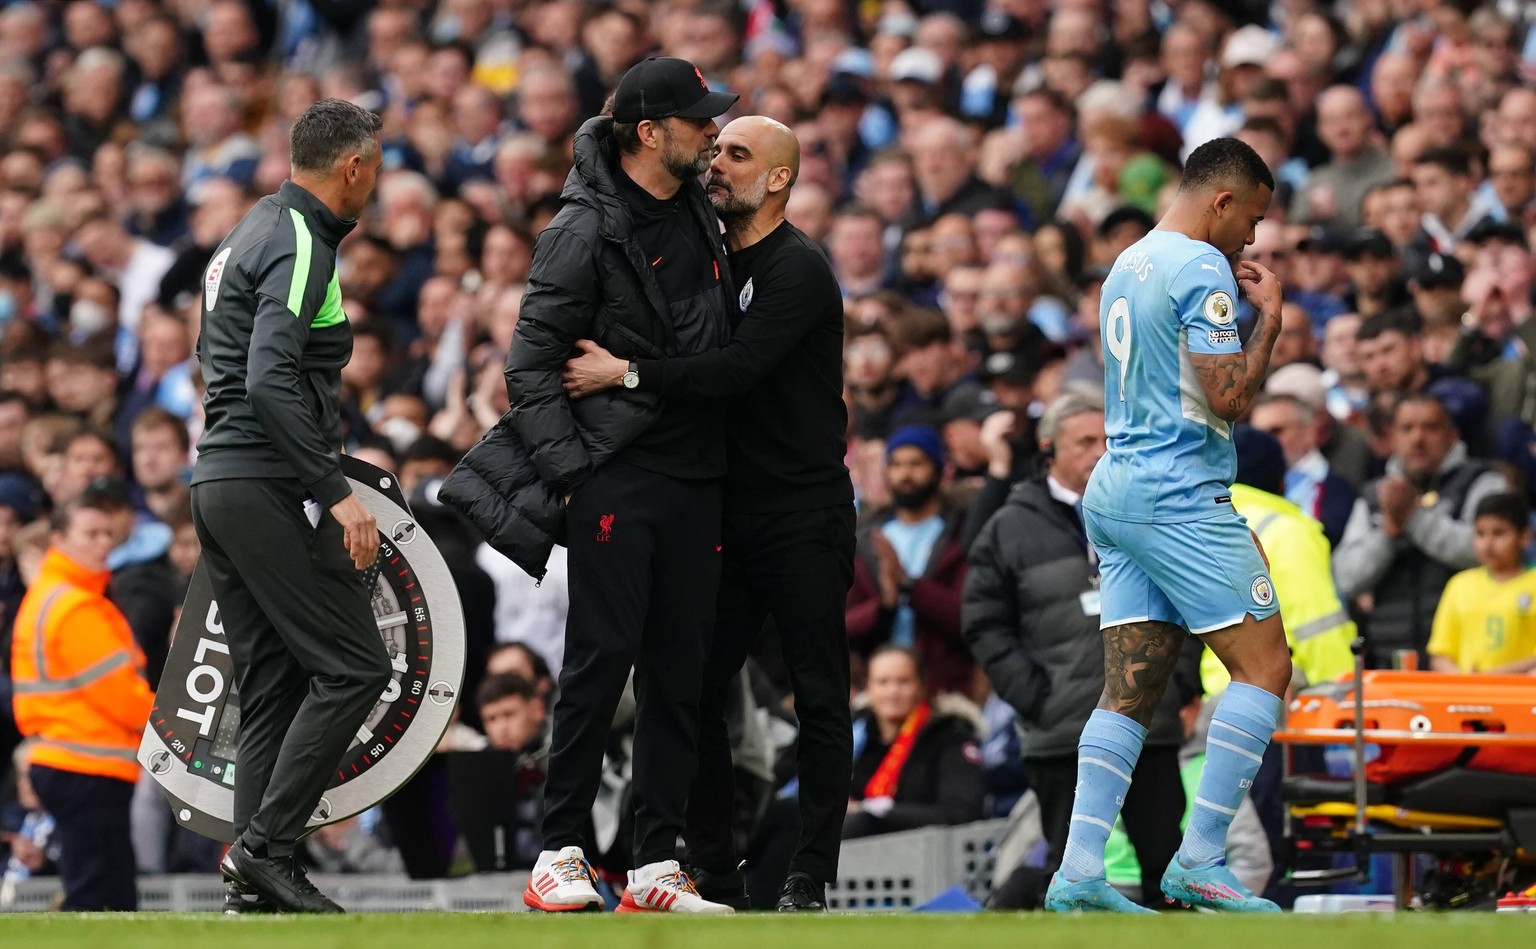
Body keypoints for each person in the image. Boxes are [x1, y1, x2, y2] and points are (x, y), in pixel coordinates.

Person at [442, 57, 740, 915]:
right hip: (618, 475)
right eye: (697, 120)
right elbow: (529, 370)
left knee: (679, 674)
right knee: (599, 663)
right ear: (651, 132)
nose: (711, 132)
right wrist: (577, 481)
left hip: (696, 473)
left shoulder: (693, 203)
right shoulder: (579, 231)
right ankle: (558, 849)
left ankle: (653, 862)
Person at [561, 115, 856, 911]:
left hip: (801, 511)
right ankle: (714, 866)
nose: (716, 165)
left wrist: (627, 373)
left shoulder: (798, 269)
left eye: (737, 154)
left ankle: (808, 876)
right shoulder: (713, 257)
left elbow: (735, 370)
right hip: (725, 509)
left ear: (780, 179)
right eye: (715, 150)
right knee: (686, 687)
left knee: (819, 693)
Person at [1045, 138, 1292, 913]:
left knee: (1128, 690)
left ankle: (1080, 871)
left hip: (1115, 488)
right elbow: (1228, 397)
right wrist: (1271, 322)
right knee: (1265, 667)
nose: (1250, 238)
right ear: (1222, 201)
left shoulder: (1127, 262)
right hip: (1178, 490)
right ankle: (1202, 859)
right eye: (1250, 218)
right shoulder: (1200, 266)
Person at [190, 99, 391, 914]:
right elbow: (270, 378)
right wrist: (334, 491)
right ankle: (265, 849)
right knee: (354, 667)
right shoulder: (300, 240)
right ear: (351, 168)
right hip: (261, 479)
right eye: (373, 168)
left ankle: (251, 891)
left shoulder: (254, 228)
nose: (375, 182)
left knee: (272, 682)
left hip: (221, 483)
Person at [964, 390, 1199, 909]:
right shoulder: (1009, 527)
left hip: (1146, 722)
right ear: (1049, 449)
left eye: (1109, 440)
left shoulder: (1152, 511)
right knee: (1069, 870)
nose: (1100, 451)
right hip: (1061, 729)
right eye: (1085, 441)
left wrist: (1177, 683)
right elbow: (983, 623)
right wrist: (1037, 697)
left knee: (1167, 866)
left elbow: (1189, 600)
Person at [9, 487, 152, 911]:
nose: (103, 543)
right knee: (100, 892)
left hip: (73, 762)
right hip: (86, 765)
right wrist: (174, 723)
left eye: (108, 533)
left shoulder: (57, 597)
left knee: (102, 885)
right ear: (59, 541)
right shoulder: (75, 607)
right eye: (90, 533)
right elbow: (124, 700)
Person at [1334, 394, 1507, 668]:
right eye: (1407, 429)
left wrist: (1413, 519)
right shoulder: (1374, 495)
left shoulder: (1483, 483)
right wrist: (1388, 534)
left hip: (1465, 662)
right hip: (1390, 659)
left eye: (1430, 428)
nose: (1418, 439)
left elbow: (1486, 553)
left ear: (1453, 434)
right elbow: (1347, 578)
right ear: (1392, 437)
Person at [843, 645, 986, 839]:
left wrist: (878, 814)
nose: (893, 692)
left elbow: (962, 812)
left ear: (921, 686)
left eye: (903, 682)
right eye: (883, 682)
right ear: (869, 687)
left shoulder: (950, 736)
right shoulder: (857, 733)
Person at [1427, 493, 1536, 674]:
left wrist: (1494, 676)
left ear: (1524, 537)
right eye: (1480, 533)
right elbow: (1441, 654)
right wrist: (1466, 682)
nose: (1488, 544)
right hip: (1468, 697)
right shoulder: (1459, 585)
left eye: (1499, 533)